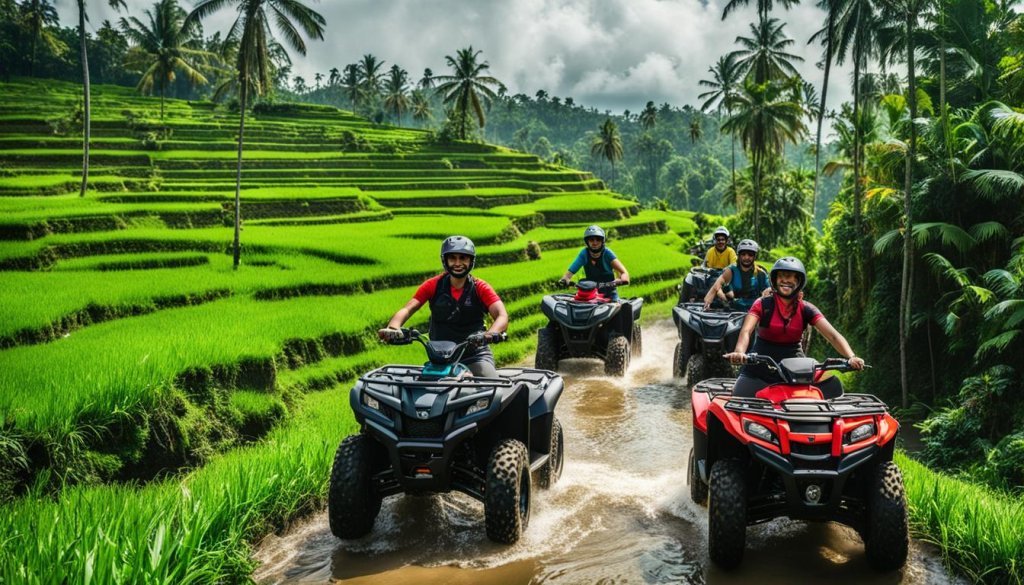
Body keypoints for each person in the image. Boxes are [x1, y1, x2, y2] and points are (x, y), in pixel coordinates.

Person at [723, 256, 865, 399]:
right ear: (774, 280)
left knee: (833, 387)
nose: (786, 280)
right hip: (759, 366)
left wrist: (851, 357)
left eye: (791, 277)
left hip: (796, 369)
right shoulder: (762, 304)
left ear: (798, 281)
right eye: (781, 276)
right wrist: (739, 352)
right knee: (738, 397)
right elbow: (746, 331)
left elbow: (833, 335)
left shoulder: (806, 309)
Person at [379, 235, 508, 377]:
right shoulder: (433, 285)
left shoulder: (480, 287)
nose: (458, 263)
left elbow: (501, 315)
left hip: (475, 355)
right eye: (452, 258)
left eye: (463, 258)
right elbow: (408, 308)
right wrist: (393, 328)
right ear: (445, 260)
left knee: (490, 386)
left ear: (471, 261)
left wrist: (489, 335)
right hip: (440, 357)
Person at [558, 225, 631, 301]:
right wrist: (565, 279)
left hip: (609, 290)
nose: (595, 243)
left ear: (602, 241)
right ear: (587, 242)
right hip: (590, 292)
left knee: (616, 305)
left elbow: (624, 272)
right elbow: (569, 273)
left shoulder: (607, 253)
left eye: (598, 240)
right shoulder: (584, 254)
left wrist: (623, 280)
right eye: (591, 240)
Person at [703, 239, 770, 311]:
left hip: (754, 308)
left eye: (750, 255)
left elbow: (769, 290)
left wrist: (767, 292)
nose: (746, 258)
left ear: (754, 256)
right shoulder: (731, 270)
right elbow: (717, 285)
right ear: (739, 255)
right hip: (733, 308)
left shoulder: (760, 273)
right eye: (743, 254)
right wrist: (708, 301)